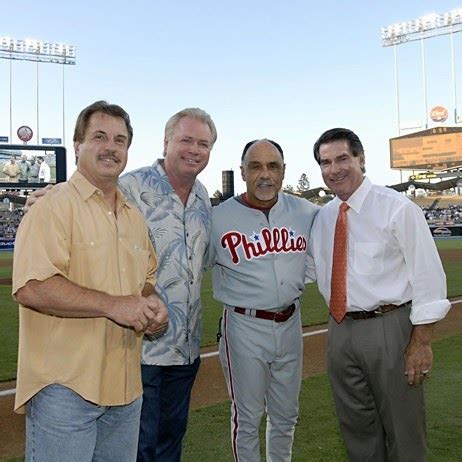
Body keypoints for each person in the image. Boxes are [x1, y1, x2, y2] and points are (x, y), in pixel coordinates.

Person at [25, 106, 217, 461]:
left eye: (203, 143)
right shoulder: (128, 186)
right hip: (136, 352)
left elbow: (183, 268)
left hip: (184, 344)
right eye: (186, 140)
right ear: (166, 142)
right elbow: (83, 194)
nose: (194, 149)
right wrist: (46, 198)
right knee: (139, 448)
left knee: (170, 441)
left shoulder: (205, 198)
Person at [13, 100, 169, 462]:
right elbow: (32, 286)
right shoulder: (53, 207)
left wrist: (152, 308)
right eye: (99, 136)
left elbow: (145, 282)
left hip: (126, 389)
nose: (111, 147)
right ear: (78, 144)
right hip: (65, 389)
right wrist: (115, 305)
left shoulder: (133, 217)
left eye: (120, 140)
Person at [309, 128, 451, 461]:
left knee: (404, 431)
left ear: (360, 159)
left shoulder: (397, 208)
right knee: (356, 429)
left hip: (389, 327)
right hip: (340, 330)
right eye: (325, 162)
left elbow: (429, 278)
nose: (334, 169)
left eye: (342, 158)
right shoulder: (325, 216)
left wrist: (421, 342)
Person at [207, 139, 319, 461]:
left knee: (286, 415)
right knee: (247, 418)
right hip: (245, 325)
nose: (265, 174)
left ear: (284, 172)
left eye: (273, 166)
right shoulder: (218, 218)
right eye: (255, 166)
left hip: (291, 322)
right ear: (242, 172)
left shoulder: (306, 211)